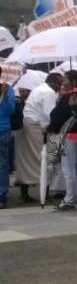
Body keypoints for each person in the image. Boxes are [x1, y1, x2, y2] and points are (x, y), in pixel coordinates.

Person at [15, 73, 62, 202]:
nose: (60, 87)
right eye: (59, 83)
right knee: (46, 159)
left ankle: (25, 192)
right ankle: (44, 193)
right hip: (37, 126)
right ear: (52, 82)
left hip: (28, 124)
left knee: (27, 160)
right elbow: (49, 114)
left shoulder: (39, 89)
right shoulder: (49, 92)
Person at [49, 70, 77, 211]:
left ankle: (70, 199)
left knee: (69, 169)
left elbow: (57, 116)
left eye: (65, 79)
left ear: (73, 81)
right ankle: (76, 196)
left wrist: (52, 128)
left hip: (69, 135)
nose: (63, 82)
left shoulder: (70, 97)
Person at [0, 66, 16, 209]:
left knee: (2, 164)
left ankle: (2, 195)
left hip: (3, 130)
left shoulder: (8, 89)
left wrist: (4, 97)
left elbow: (11, 110)